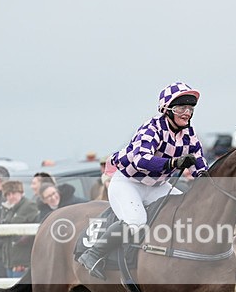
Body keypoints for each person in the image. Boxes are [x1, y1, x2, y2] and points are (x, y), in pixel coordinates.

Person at [77, 82, 208, 279]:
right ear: (167, 109)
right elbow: (141, 160)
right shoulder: (152, 128)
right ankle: (93, 253)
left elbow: (201, 169)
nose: (187, 113)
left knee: (186, 211)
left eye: (190, 108)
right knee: (136, 221)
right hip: (128, 183)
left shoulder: (189, 134)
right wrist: (173, 161)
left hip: (157, 185)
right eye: (181, 108)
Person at [0, 180, 39, 278]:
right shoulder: (6, 208)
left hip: (23, 261)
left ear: (21, 193)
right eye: (8, 194)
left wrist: (25, 262)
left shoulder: (29, 205)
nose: (11, 197)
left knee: (21, 290)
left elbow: (35, 234)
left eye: (14, 193)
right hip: (9, 260)